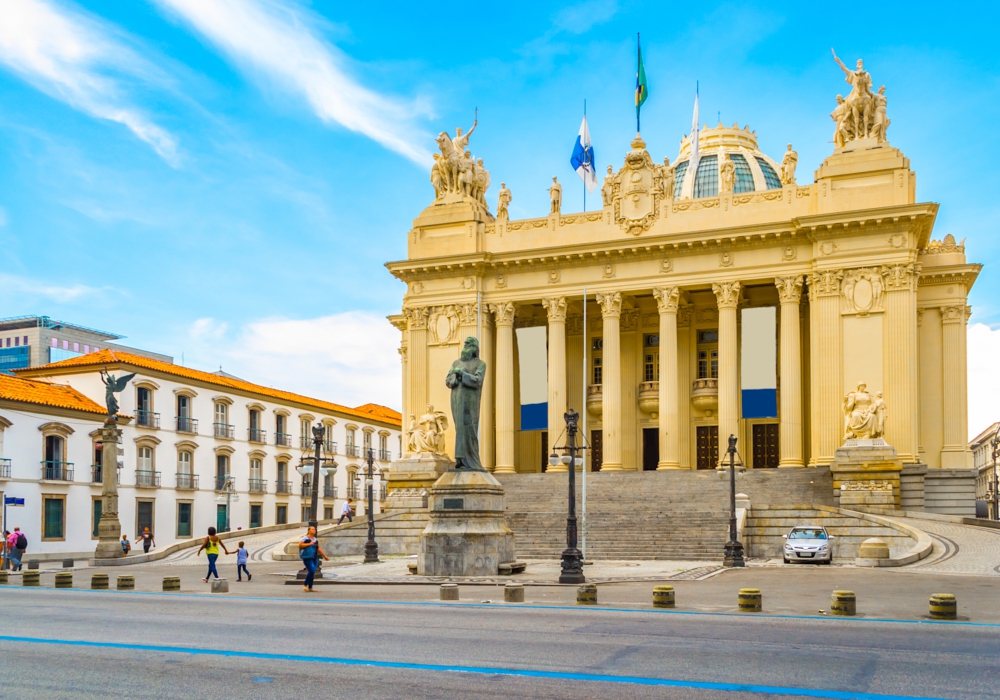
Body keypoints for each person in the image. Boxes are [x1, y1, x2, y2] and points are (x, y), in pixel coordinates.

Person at [298, 526, 328, 593]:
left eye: (315, 529)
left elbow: (318, 548)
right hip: (307, 557)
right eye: (312, 529)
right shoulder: (305, 538)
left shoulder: (315, 539)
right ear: (309, 530)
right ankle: (305, 584)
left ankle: (310, 587)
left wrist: (325, 556)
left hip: (314, 557)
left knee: (312, 572)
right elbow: (300, 545)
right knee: (311, 571)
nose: (314, 530)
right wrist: (309, 544)